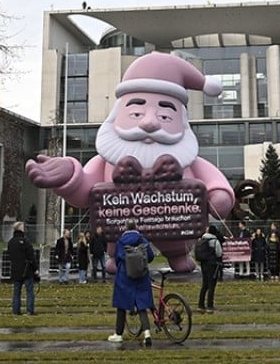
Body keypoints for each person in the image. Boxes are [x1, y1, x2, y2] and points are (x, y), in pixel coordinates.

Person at [27, 53, 236, 273]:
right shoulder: (107, 159)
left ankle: (177, 256)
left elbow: (214, 184)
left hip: (175, 229)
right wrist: (69, 175)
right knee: (120, 249)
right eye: (136, 113)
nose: (149, 123)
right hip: (119, 231)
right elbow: (85, 192)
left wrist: (219, 196)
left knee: (177, 249)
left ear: (181, 122)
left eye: (165, 116)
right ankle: (117, 259)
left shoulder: (187, 157)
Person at [108, 222, 155, 346]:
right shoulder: (142, 239)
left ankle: (118, 334)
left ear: (125, 228)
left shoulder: (121, 241)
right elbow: (150, 256)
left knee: (121, 306)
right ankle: (147, 333)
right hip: (141, 276)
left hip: (125, 277)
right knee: (142, 305)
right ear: (136, 228)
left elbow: (118, 258)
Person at [7, 221, 39, 315]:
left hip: (15, 270)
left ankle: (16, 311)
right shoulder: (26, 242)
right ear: (20, 229)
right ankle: (30, 310)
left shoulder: (11, 242)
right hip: (27, 270)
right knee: (29, 291)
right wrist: (35, 269)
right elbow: (31, 256)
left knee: (16, 292)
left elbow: (10, 256)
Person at [195, 224, 223, 313]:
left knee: (204, 285)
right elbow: (219, 253)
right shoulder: (214, 241)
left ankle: (200, 305)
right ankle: (210, 306)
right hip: (212, 265)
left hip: (203, 264)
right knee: (212, 286)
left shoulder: (202, 239)